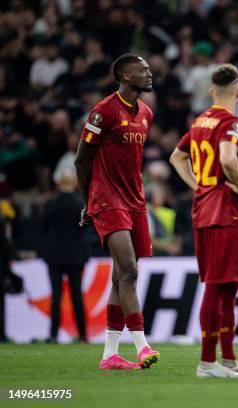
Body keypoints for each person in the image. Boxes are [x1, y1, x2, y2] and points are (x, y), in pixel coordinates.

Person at [170, 64, 238, 379]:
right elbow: (228, 158)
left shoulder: (199, 121)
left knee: (229, 286)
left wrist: (199, 186)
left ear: (211, 91)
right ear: (237, 91)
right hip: (225, 211)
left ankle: (229, 359)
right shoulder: (232, 122)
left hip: (204, 208)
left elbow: (176, 158)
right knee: (218, 287)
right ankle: (207, 362)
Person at [75, 54, 159, 370]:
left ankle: (110, 354)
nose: (149, 74)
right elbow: (82, 160)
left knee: (118, 279)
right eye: (143, 70)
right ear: (124, 75)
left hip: (135, 200)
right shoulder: (103, 112)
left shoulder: (147, 113)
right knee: (129, 271)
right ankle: (142, 345)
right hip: (107, 198)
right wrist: (89, 202)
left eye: (149, 69)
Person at [42, 167, 89, 343]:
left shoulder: (51, 204)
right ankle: (83, 334)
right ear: (74, 184)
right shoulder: (80, 204)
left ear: (58, 184)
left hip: (54, 254)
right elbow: (86, 229)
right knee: (77, 295)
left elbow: (44, 229)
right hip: (76, 255)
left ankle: (53, 334)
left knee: (56, 295)